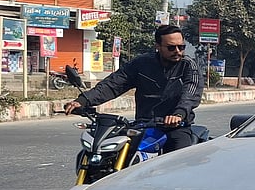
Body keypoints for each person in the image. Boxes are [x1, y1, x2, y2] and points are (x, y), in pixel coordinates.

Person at [64, 25, 204, 153]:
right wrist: (83, 100)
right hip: (143, 125)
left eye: (181, 47)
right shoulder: (141, 63)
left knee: (180, 162)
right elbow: (114, 84)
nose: (178, 51)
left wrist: (178, 114)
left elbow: (191, 92)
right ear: (158, 46)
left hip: (176, 127)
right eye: (171, 48)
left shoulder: (188, 66)